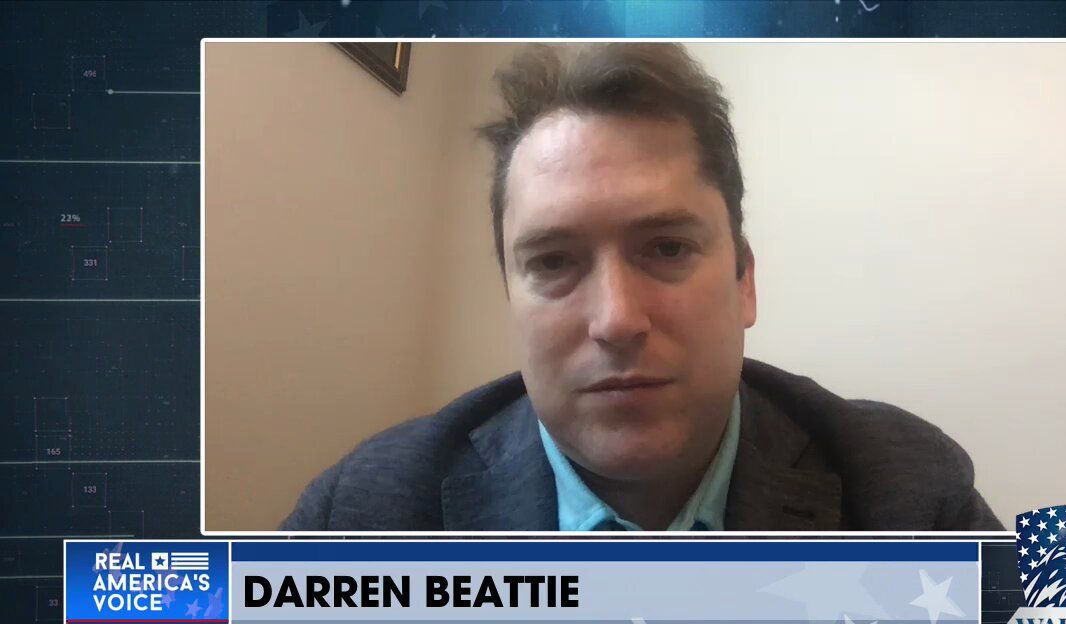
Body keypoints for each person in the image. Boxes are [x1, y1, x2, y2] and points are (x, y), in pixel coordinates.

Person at [281, 43, 1002, 532]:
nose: (617, 320)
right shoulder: (365, 516)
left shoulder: (908, 496)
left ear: (745, 281)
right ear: (511, 301)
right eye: (553, 262)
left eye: (666, 248)